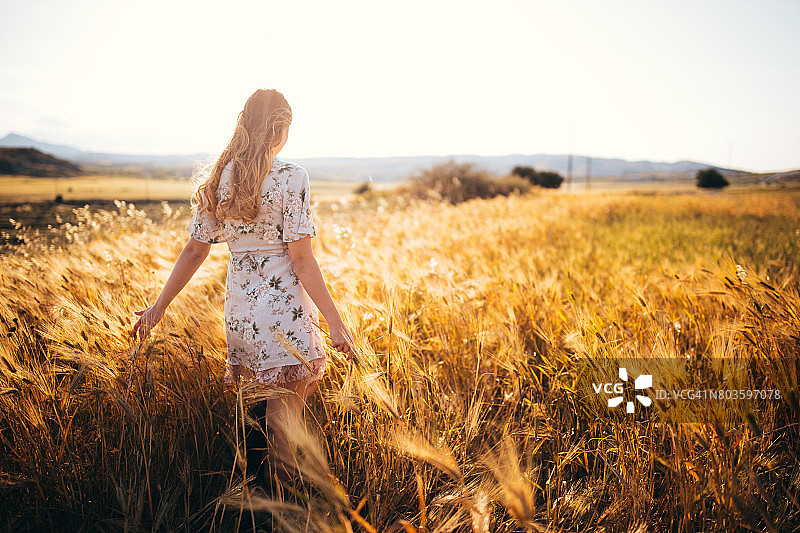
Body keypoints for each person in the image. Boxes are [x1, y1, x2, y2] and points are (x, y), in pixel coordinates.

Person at [130, 88, 355, 485]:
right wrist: (335, 322)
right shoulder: (291, 176)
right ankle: (278, 510)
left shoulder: (221, 176)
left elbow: (195, 250)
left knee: (259, 415)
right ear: (281, 127)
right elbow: (301, 258)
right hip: (283, 307)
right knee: (284, 422)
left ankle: (253, 499)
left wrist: (158, 307)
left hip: (241, 310)